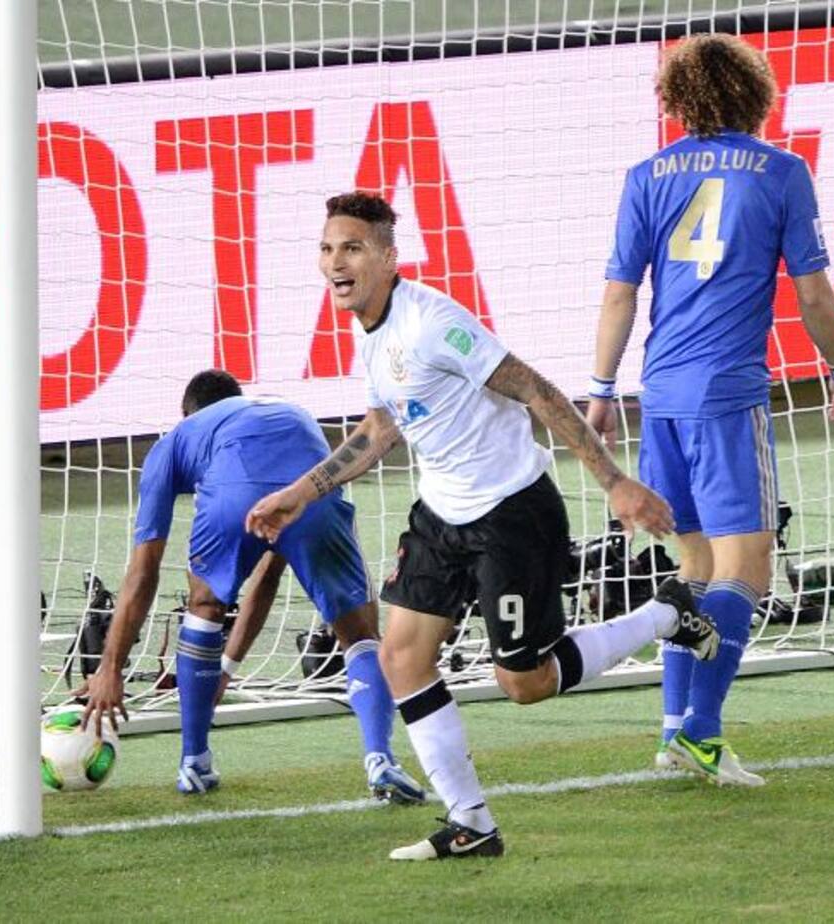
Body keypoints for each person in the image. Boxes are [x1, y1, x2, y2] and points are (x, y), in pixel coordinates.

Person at [246, 192, 721, 861]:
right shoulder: (372, 334)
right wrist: (300, 492)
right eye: (327, 249)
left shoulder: (433, 322)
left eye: (351, 248)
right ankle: (472, 823)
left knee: (523, 683)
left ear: (387, 256)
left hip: (511, 513)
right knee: (401, 657)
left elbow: (534, 389)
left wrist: (614, 480)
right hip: (440, 515)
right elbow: (382, 427)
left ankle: (667, 615)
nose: (335, 263)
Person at [588, 34, 834, 786]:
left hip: (661, 392)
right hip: (728, 395)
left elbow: (620, 292)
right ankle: (703, 732)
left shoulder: (648, 175)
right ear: (753, 92)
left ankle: (673, 730)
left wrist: (603, 391)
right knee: (749, 570)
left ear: (678, 100)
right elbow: (811, 290)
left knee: (695, 568)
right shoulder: (781, 172)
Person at [79, 369, 425, 805]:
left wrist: (111, 668)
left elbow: (142, 573)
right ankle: (380, 759)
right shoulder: (281, 412)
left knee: (203, 607)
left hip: (230, 494)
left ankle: (194, 762)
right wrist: (227, 666)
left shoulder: (175, 442)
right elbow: (269, 572)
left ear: (185, 414)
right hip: (314, 483)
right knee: (358, 636)